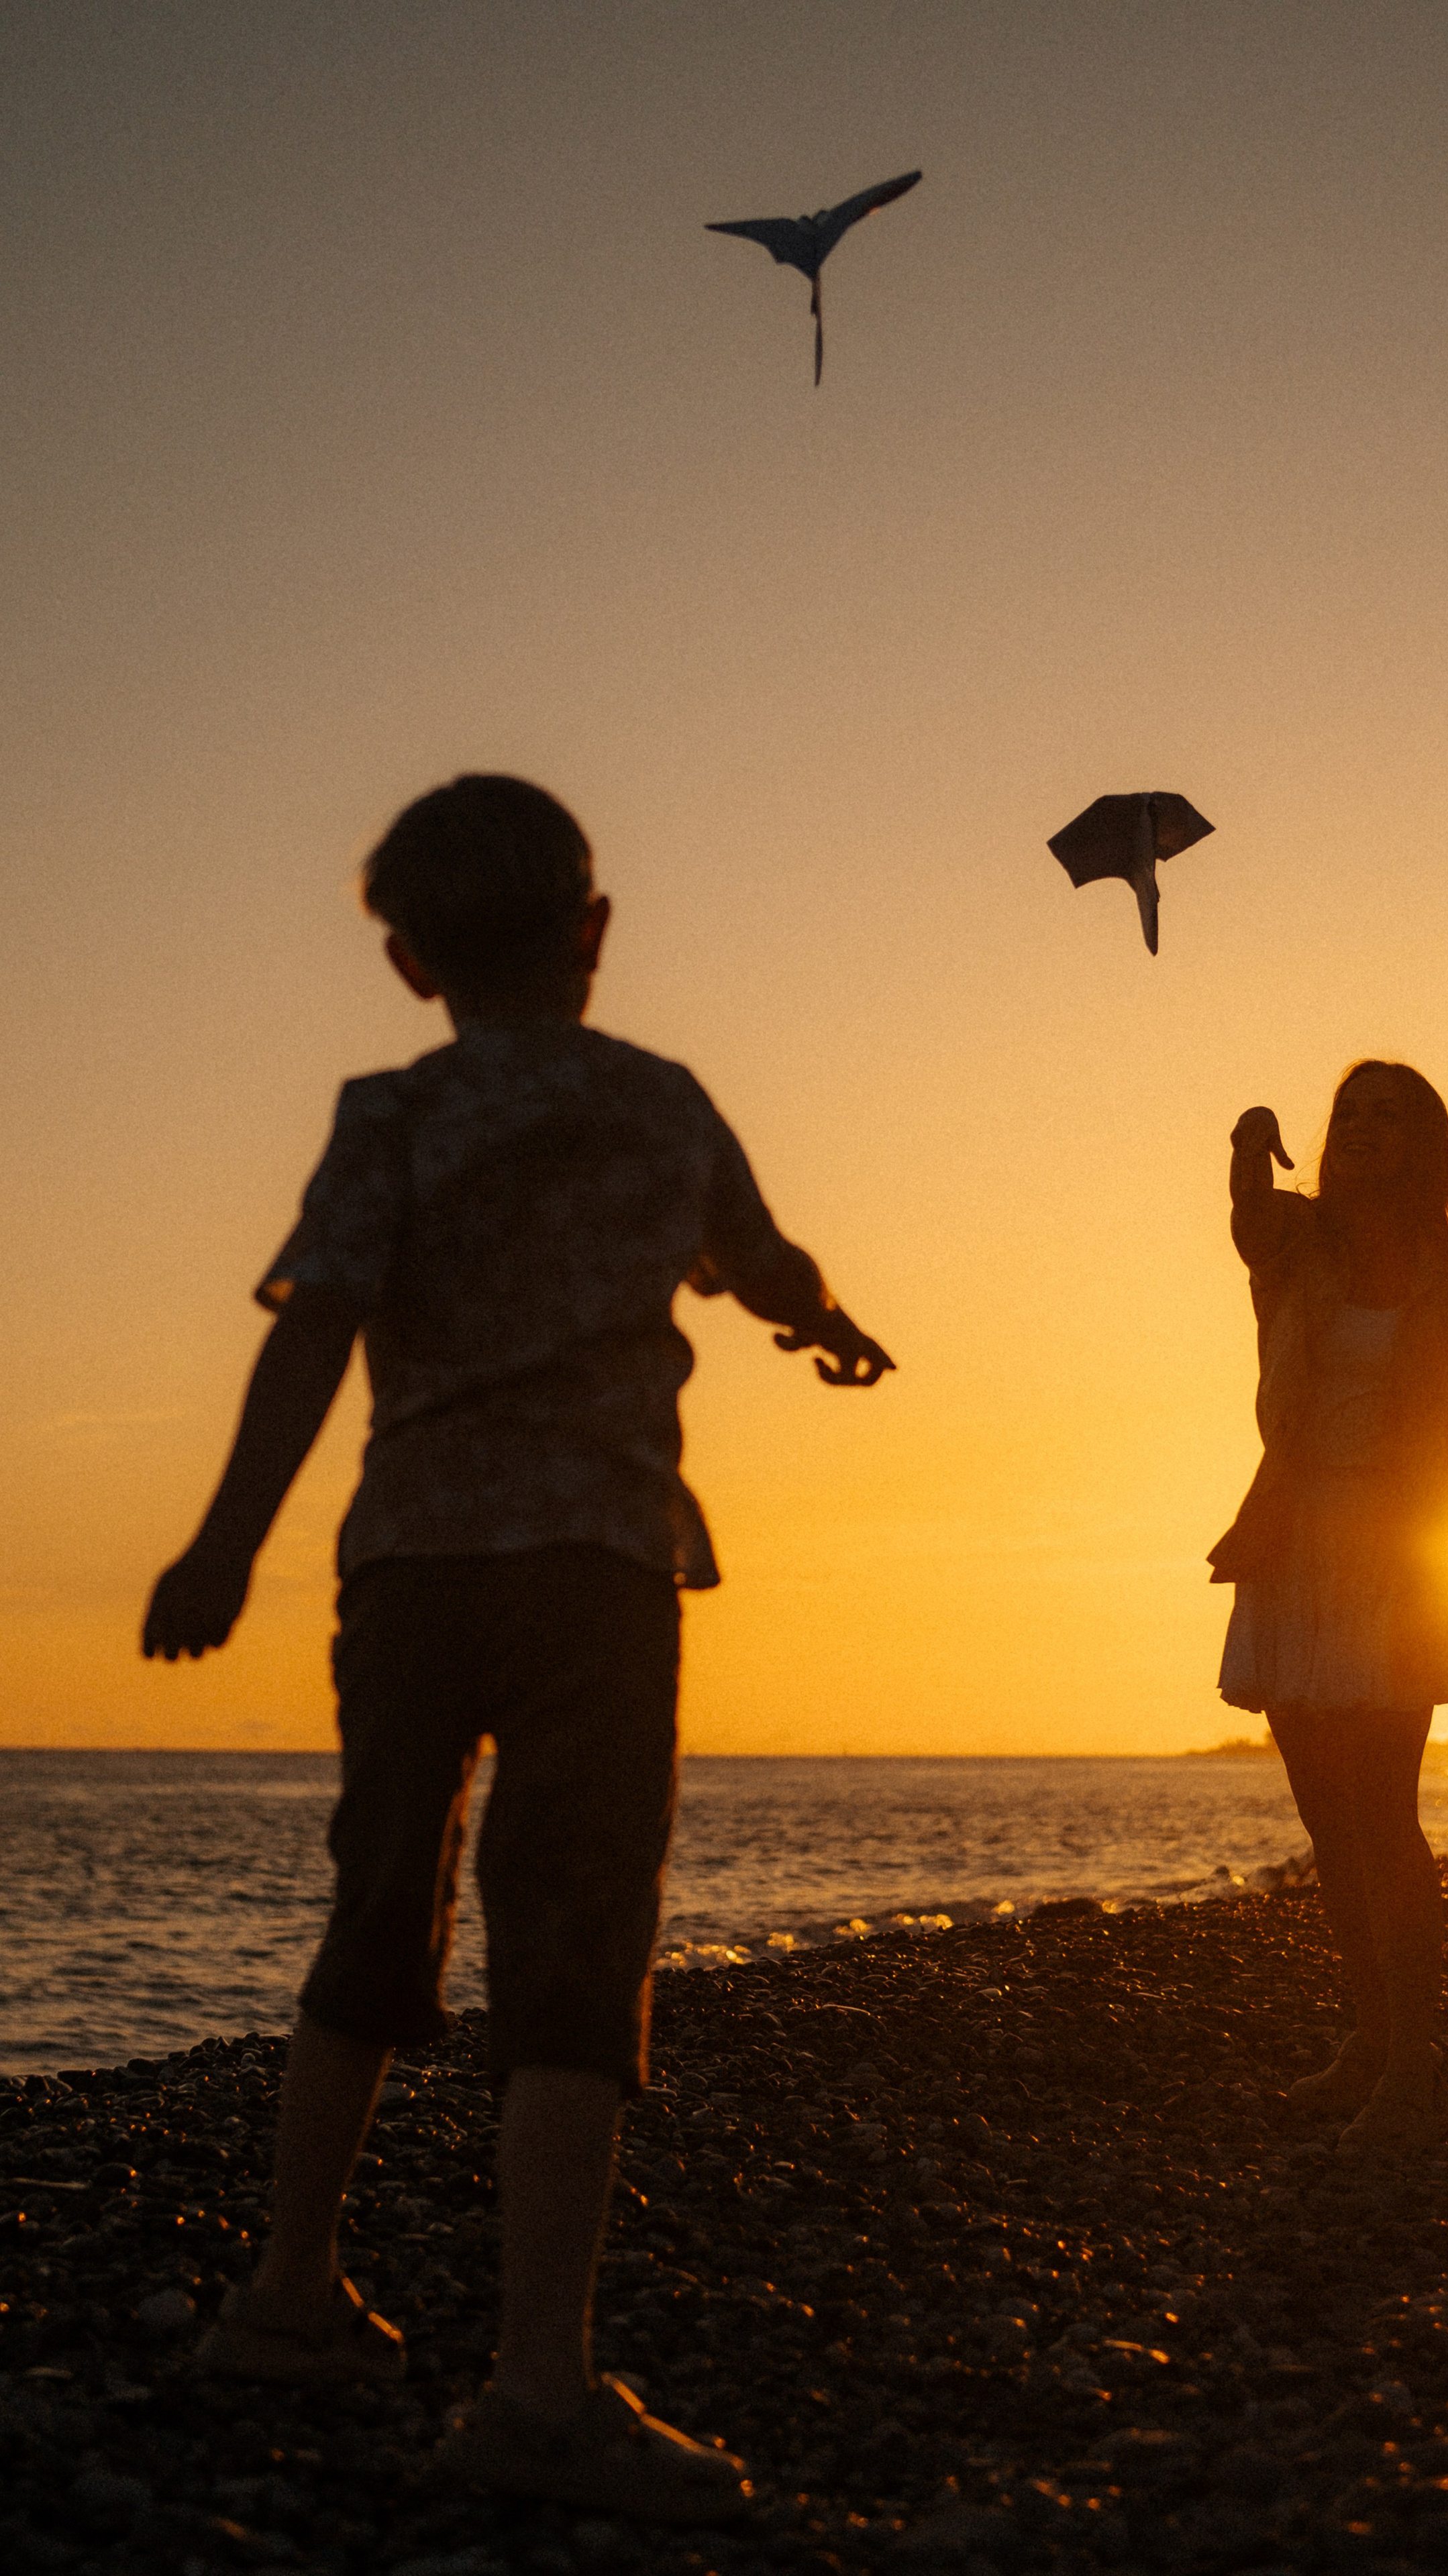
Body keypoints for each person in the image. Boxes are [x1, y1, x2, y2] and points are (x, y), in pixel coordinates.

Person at [141, 774, 893, 2519]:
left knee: (380, 1898)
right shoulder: (662, 1105)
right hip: (599, 1568)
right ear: (595, 931)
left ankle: (284, 2294)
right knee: (573, 1934)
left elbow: (315, 1330)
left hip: (411, 1564)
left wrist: (224, 1543)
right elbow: (763, 1261)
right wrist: (830, 1324)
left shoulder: (388, 1112)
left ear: (407, 960)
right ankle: (540, 2384)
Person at [1208, 1062, 1448, 2153]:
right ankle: (1373, 2043)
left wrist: (1408, 1479)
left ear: (1427, 1143)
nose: (1366, 1128)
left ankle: (1418, 2072)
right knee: (1329, 1822)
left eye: (1393, 1114)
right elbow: (1251, 1225)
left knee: (1384, 1813)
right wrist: (1250, 1145)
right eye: (1351, 1113)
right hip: (1293, 1539)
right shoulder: (1304, 1251)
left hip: (1398, 1555)